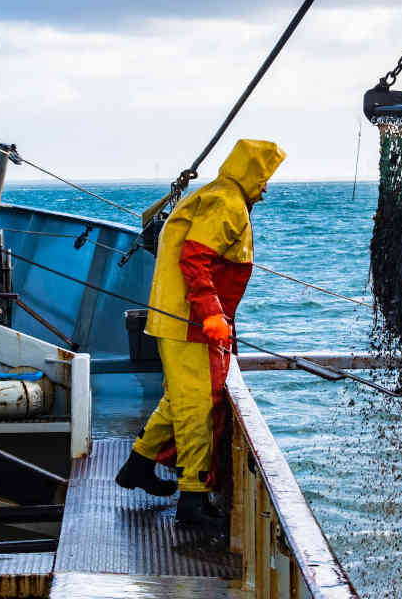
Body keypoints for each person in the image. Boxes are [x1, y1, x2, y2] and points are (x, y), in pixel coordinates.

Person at [115, 139, 286, 532]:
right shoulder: (227, 203)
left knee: (179, 400)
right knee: (197, 408)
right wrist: (210, 314)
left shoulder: (215, 195)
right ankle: (192, 500)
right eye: (263, 179)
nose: (265, 188)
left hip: (175, 318)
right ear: (251, 174)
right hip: (189, 322)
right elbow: (194, 257)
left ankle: (138, 465)